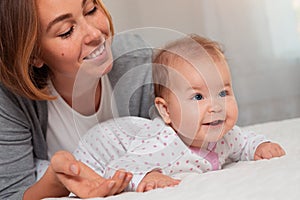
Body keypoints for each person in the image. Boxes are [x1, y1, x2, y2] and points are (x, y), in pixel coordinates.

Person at [0, 0, 171, 199]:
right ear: (34, 54)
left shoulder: (136, 62)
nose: (95, 34)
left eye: (91, 9)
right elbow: (11, 194)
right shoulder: (11, 99)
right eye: (66, 31)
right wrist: (55, 185)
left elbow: (180, 147)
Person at [70, 34, 286, 190]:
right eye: (198, 97)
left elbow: (244, 141)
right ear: (166, 111)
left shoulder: (225, 135)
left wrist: (260, 146)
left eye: (223, 92)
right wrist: (148, 175)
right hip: (97, 154)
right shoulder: (161, 143)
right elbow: (118, 167)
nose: (216, 106)